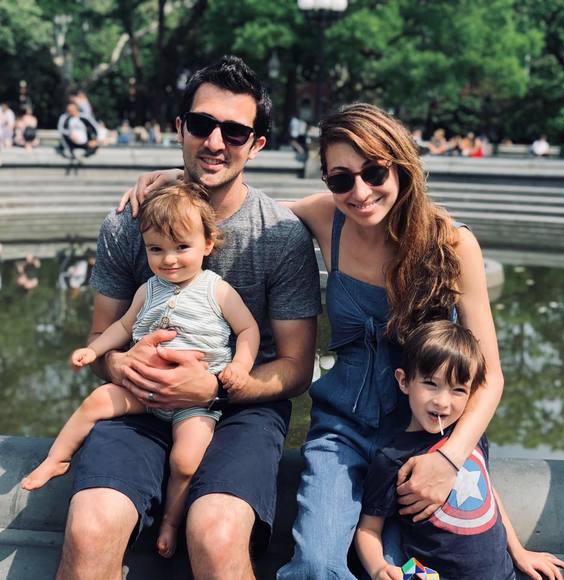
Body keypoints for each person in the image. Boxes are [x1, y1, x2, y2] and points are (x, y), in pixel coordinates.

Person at [121, 103, 506, 579]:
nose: (359, 192)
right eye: (341, 179)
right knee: (316, 565)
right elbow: (244, 206)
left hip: (426, 432)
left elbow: (489, 376)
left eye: (374, 172)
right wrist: (178, 183)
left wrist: (449, 458)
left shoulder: (452, 243)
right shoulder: (329, 217)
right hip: (343, 429)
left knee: (409, 564)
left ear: (401, 166)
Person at [56, 55, 320, 580]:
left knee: (216, 535)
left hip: (242, 408)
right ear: (180, 128)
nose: (215, 142)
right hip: (139, 398)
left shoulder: (281, 234)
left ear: (256, 144)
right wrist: (119, 366)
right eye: (202, 124)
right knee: (90, 529)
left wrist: (217, 387)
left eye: (235, 132)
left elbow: (296, 367)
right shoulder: (128, 223)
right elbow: (100, 339)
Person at [22, 183, 260, 559]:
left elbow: (248, 330)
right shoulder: (148, 290)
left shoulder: (218, 290)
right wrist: (94, 350)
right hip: (142, 390)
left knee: (186, 459)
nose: (169, 260)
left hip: (194, 400)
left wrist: (240, 367)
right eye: (156, 249)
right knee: (98, 400)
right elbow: (120, 327)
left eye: (181, 247)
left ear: (207, 243)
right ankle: (56, 458)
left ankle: (171, 521)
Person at [355, 320, 564, 580]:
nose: (442, 402)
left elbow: (488, 492)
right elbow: (368, 529)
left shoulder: (469, 435)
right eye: (431, 384)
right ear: (404, 381)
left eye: (458, 390)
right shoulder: (392, 459)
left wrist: (519, 552)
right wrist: (378, 568)